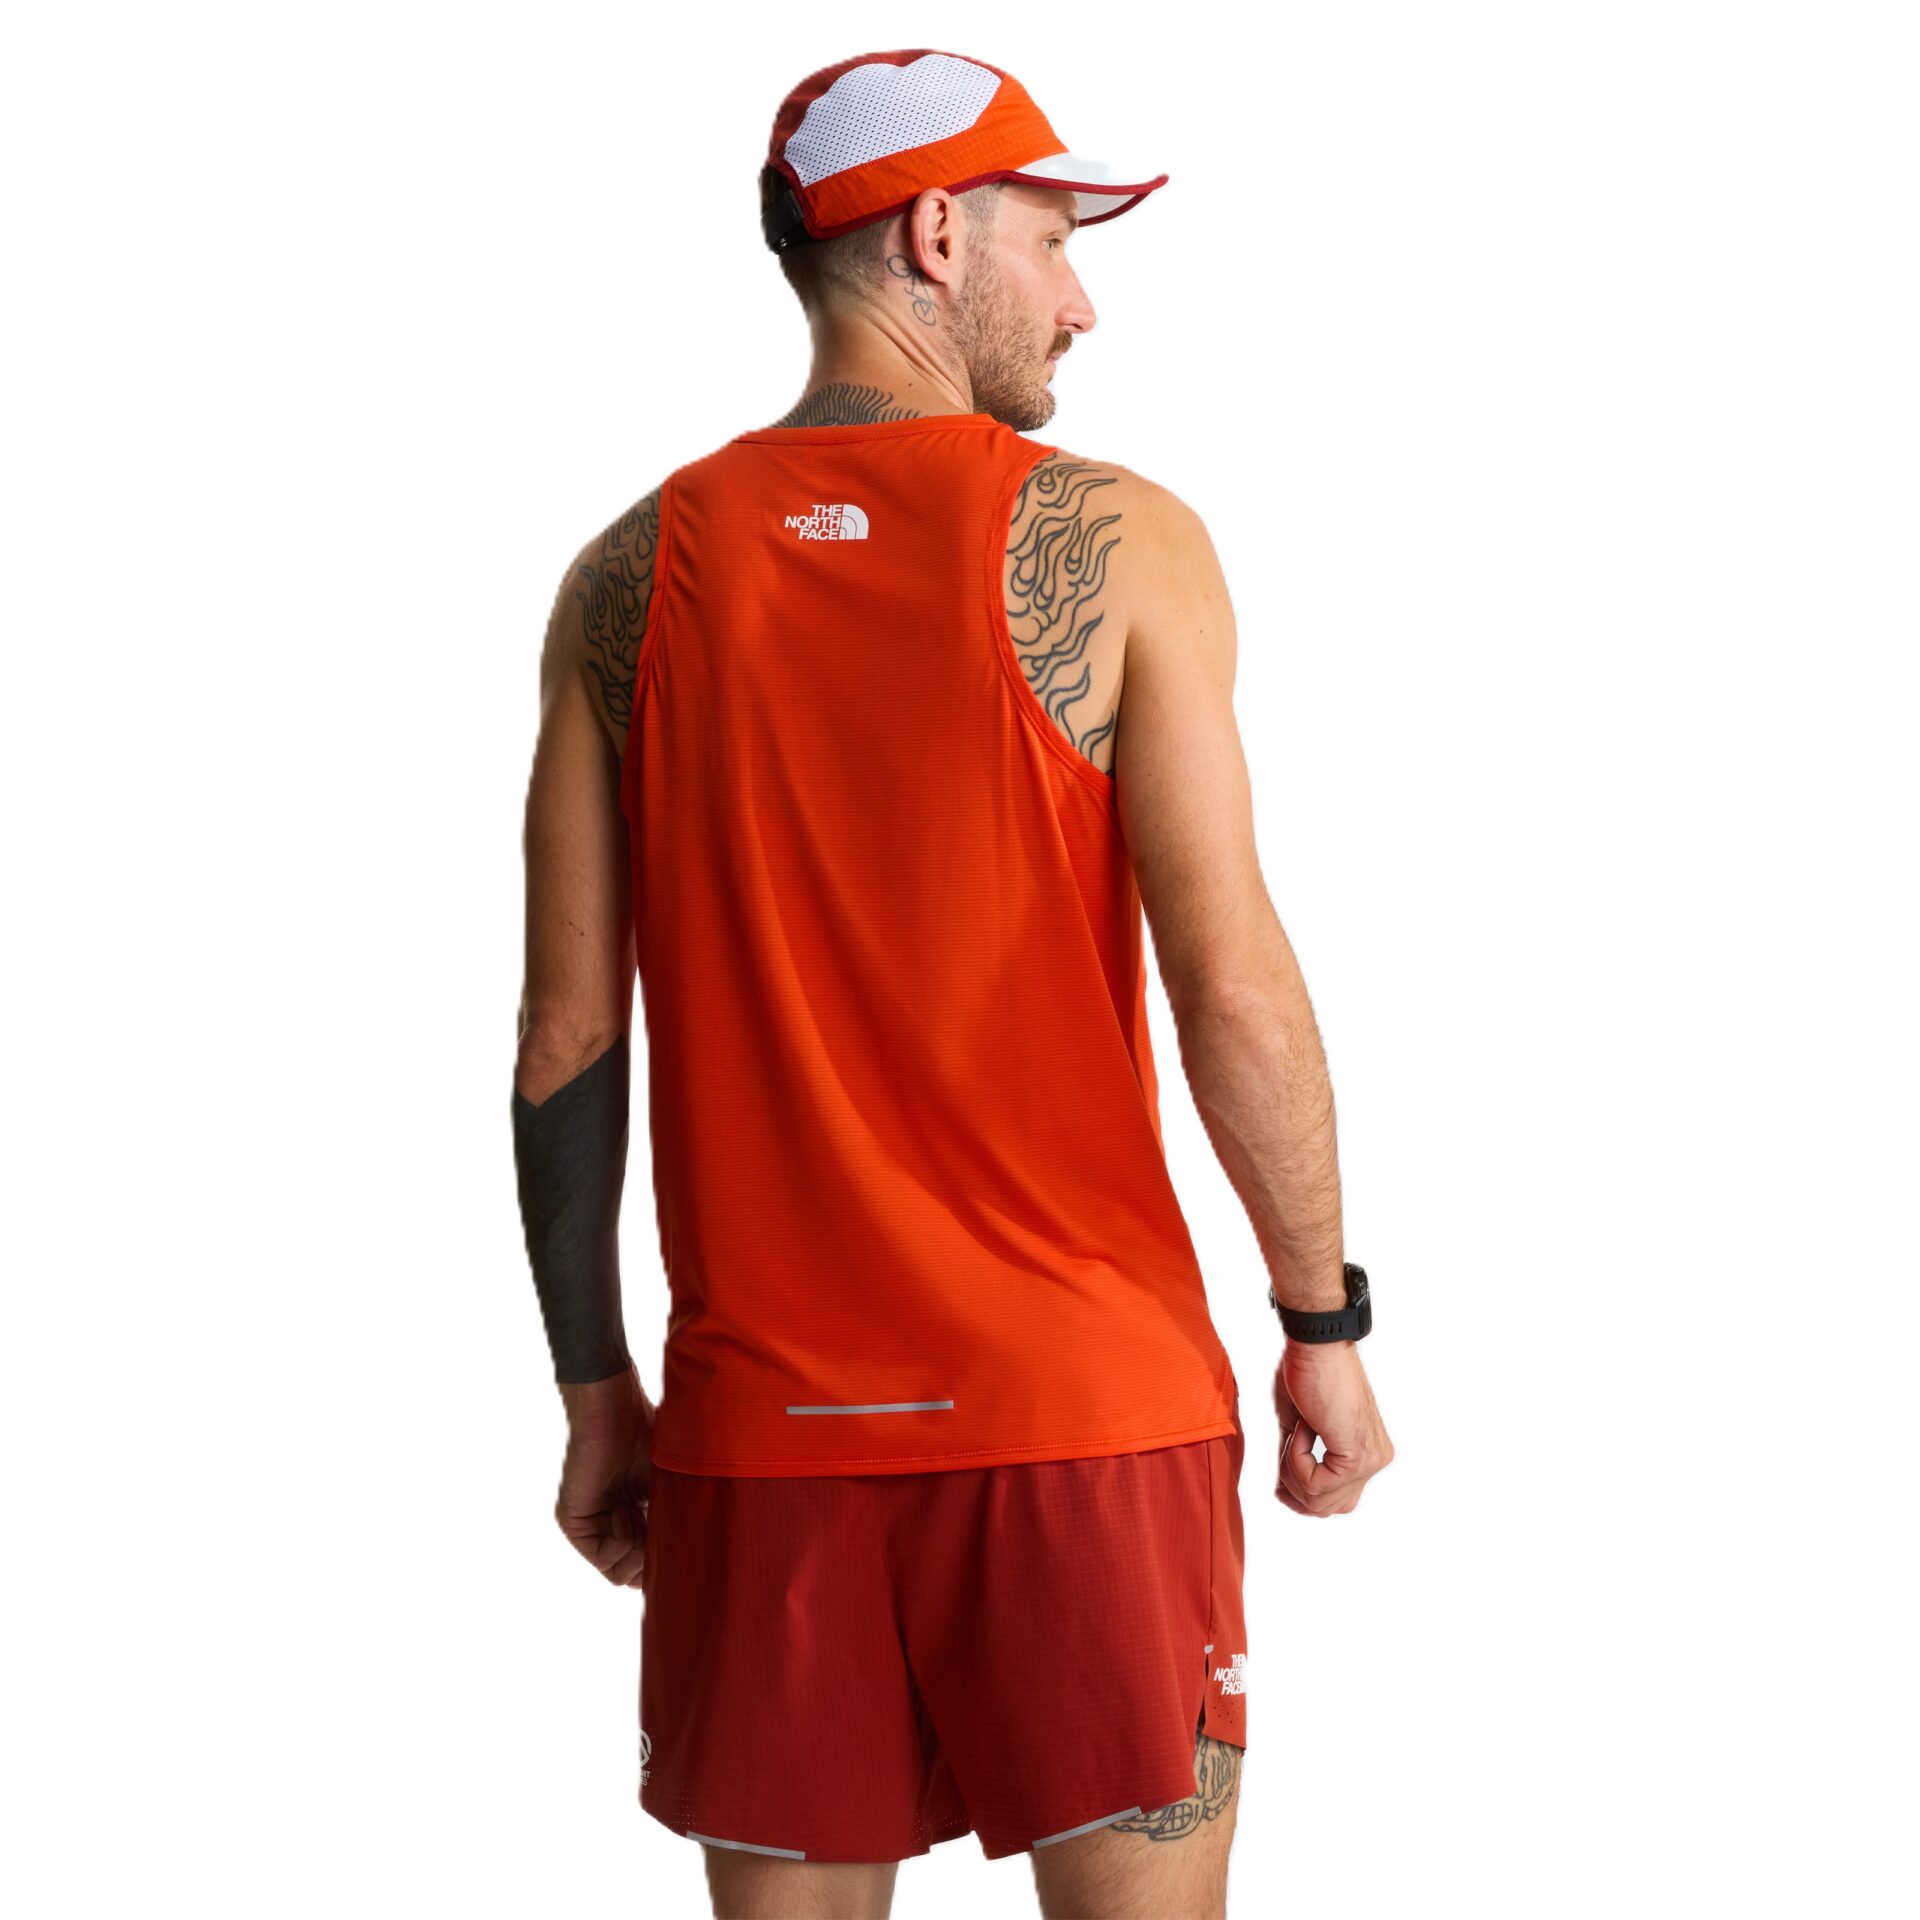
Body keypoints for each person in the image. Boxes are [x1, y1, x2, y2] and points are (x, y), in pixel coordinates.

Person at [512, 48, 1393, 1920]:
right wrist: (1323, 1316)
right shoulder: (1121, 542)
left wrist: (595, 1386)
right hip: (1085, 1415)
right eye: (1053, 241)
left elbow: (568, 1038)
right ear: (933, 234)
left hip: (766, 1442)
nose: (1082, 301)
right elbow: (1232, 983)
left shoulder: (625, 579)